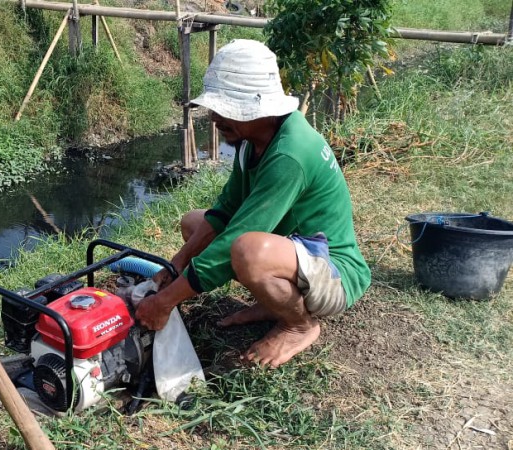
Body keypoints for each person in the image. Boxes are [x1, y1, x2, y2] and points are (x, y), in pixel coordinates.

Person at [135, 39, 371, 368]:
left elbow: (239, 235)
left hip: (336, 275)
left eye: (225, 109)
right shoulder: (254, 141)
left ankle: (299, 325)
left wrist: (164, 302)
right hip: (296, 252)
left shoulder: (290, 154)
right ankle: (276, 301)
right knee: (194, 223)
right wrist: (176, 265)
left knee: (247, 251)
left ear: (259, 107)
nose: (215, 117)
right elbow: (226, 209)